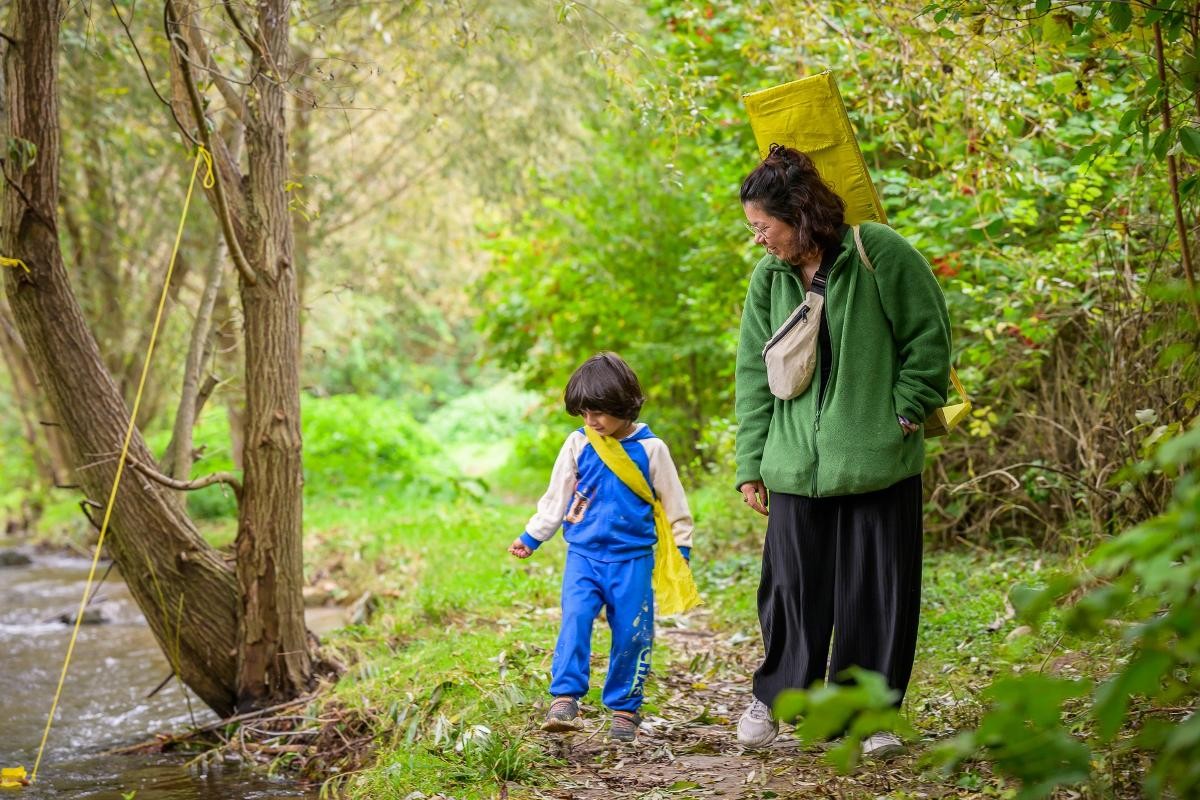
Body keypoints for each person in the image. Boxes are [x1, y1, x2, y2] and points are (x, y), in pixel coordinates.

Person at [733, 144, 950, 757]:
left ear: (799, 215)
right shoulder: (768, 278)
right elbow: (753, 374)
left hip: (878, 461)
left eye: (764, 227)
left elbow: (928, 338)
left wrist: (904, 413)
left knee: (875, 592)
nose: (759, 240)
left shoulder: (878, 251)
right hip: (794, 464)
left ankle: (870, 714)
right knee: (791, 591)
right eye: (753, 228)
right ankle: (778, 699)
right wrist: (752, 462)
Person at [508, 351, 695, 743]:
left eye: (598, 413)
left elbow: (675, 504)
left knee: (632, 633)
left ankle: (626, 708)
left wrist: (681, 548)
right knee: (574, 620)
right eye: (584, 413)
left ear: (624, 406)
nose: (591, 421)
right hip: (584, 557)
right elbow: (556, 496)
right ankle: (564, 697)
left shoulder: (651, 449)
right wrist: (533, 535)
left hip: (634, 560)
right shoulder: (579, 444)